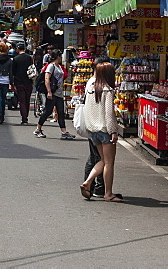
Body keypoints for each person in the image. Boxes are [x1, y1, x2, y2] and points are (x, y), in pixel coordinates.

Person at [80, 61, 122, 202]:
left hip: (93, 130)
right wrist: (113, 132)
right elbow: (109, 114)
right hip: (104, 130)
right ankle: (108, 193)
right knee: (109, 163)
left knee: (102, 160)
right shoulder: (108, 90)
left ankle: (88, 181)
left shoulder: (91, 87)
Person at [34, 49, 75, 140]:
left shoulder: (59, 67)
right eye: (60, 56)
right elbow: (47, 78)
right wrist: (49, 91)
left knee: (61, 112)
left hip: (59, 93)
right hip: (52, 93)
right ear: (57, 56)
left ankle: (64, 132)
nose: (61, 58)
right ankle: (38, 129)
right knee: (48, 111)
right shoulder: (51, 66)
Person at [11, 46, 34, 125]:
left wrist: (12, 83)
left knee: (22, 101)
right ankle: (26, 116)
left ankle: (24, 119)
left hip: (19, 82)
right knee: (27, 100)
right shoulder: (29, 58)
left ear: (18, 49)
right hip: (28, 81)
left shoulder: (16, 58)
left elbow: (13, 72)